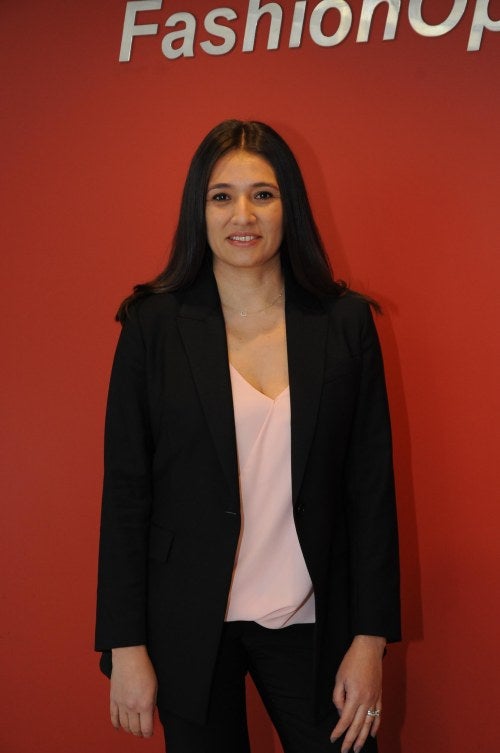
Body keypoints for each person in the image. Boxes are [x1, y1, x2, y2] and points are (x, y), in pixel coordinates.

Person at [95, 119, 400, 753]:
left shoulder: (345, 324)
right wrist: (126, 646)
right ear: (197, 210)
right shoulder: (151, 327)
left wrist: (369, 641)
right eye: (221, 195)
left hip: (313, 619)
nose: (244, 215)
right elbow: (126, 495)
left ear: (291, 205)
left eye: (263, 194)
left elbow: (370, 494)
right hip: (188, 623)